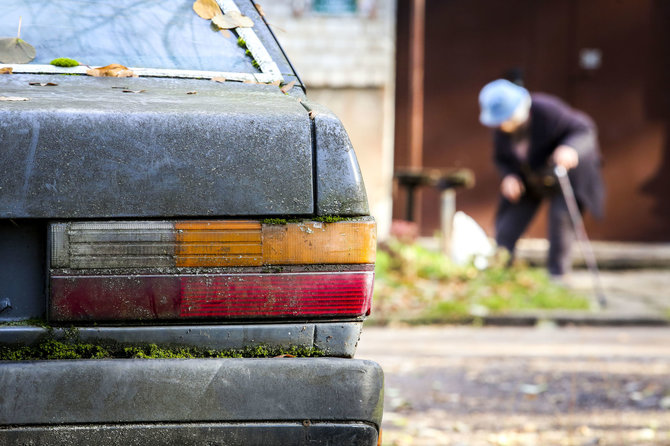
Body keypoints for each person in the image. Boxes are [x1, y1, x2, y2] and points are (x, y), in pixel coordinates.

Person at [478, 79, 605, 279]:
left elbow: (584, 129)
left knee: (560, 224)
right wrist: (509, 176)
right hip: (530, 179)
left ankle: (558, 278)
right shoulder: (502, 130)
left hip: (566, 175)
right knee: (507, 226)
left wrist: (570, 148)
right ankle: (499, 274)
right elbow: (502, 158)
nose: (502, 125)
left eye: (506, 118)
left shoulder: (546, 109)